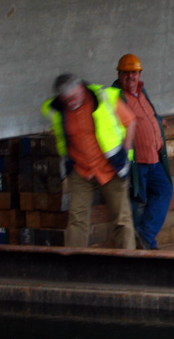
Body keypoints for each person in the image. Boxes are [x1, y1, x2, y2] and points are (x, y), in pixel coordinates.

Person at [41, 73, 136, 249]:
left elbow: (130, 121)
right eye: (66, 100)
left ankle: (129, 261)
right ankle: (75, 264)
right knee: (77, 219)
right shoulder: (57, 110)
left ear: (81, 89)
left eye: (73, 97)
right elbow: (62, 139)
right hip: (80, 169)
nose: (70, 102)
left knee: (122, 219)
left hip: (110, 167)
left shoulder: (104, 98)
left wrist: (126, 151)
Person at [112, 53, 173, 250]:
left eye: (134, 73)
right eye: (126, 73)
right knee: (137, 202)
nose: (131, 77)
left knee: (164, 190)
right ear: (119, 74)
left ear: (139, 74)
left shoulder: (142, 92)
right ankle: (144, 246)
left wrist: (157, 120)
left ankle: (145, 236)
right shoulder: (115, 96)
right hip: (136, 161)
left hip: (154, 159)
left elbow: (146, 113)